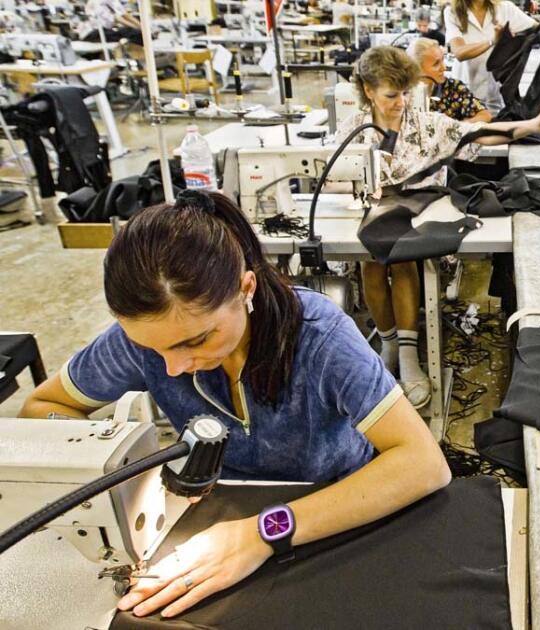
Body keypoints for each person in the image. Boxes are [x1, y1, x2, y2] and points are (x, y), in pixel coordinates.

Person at [19, 190, 451, 619]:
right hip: (219, 514)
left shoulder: (321, 337)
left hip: (336, 508)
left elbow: (424, 463)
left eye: (196, 340)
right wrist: (129, 471)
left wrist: (262, 533)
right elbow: (43, 406)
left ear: (246, 288)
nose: (172, 368)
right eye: (152, 349)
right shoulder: (147, 341)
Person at [334, 46, 540, 407]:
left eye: (405, 93)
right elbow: (333, 177)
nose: (401, 102)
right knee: (370, 264)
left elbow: (481, 133)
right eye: (391, 95)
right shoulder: (352, 130)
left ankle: (408, 357)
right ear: (368, 90)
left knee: (402, 259)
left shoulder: (428, 125)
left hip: (419, 213)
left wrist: (533, 125)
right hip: (374, 214)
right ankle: (389, 348)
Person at [445, 0, 537, 111]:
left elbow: (537, 28)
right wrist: (492, 41)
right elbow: (459, 52)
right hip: (465, 95)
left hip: (495, 94)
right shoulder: (452, 12)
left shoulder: (504, 8)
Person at [411, 37, 492, 123]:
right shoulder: (407, 94)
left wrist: (457, 126)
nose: (444, 68)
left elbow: (485, 115)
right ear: (418, 69)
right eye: (436, 64)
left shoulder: (454, 87)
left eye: (443, 60)